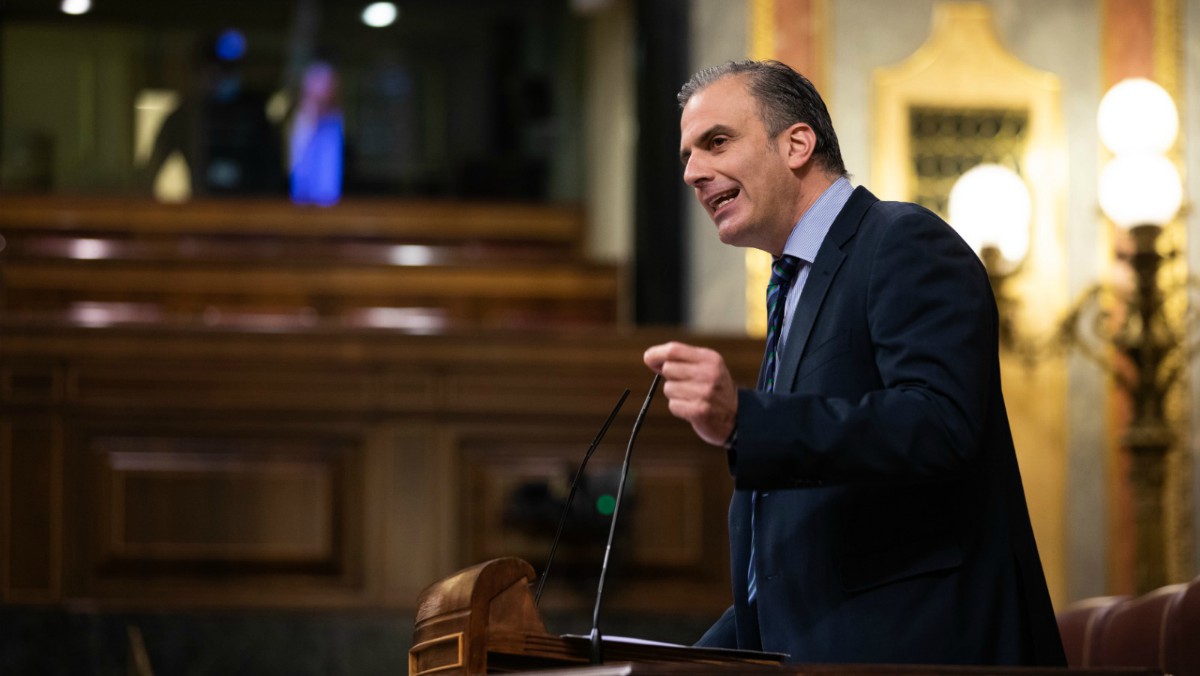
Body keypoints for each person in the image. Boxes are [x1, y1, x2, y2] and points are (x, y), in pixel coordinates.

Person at [643, 60, 1066, 666]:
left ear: (796, 143)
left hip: (924, 653)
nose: (692, 173)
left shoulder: (902, 242)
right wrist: (672, 666)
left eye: (716, 142)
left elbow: (940, 423)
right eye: (686, 155)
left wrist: (746, 421)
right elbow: (789, 569)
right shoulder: (792, 290)